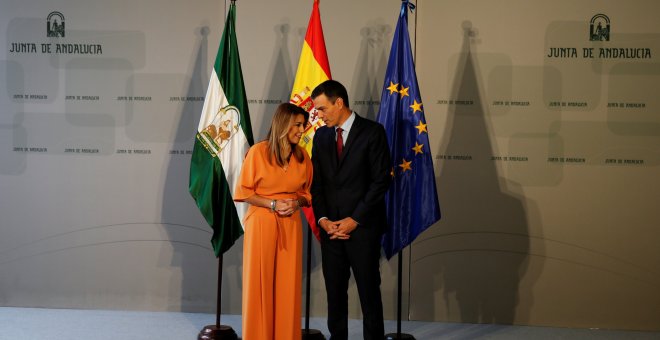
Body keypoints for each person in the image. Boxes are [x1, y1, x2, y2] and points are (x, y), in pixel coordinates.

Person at [310, 80, 391, 340]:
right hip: (331, 231)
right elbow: (317, 183)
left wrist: (354, 219)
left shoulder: (372, 132)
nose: (318, 116)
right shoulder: (321, 136)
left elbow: (381, 181)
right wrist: (323, 220)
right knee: (335, 293)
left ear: (339, 103)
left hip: (363, 229)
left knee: (369, 293)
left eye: (322, 109)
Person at [234, 102, 313, 340]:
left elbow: (308, 194)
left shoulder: (303, 156)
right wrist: (272, 204)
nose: (302, 130)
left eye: (303, 125)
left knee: (288, 285)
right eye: (297, 125)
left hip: (291, 226)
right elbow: (243, 192)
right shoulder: (258, 152)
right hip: (262, 224)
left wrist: (296, 203)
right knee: (260, 283)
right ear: (283, 124)